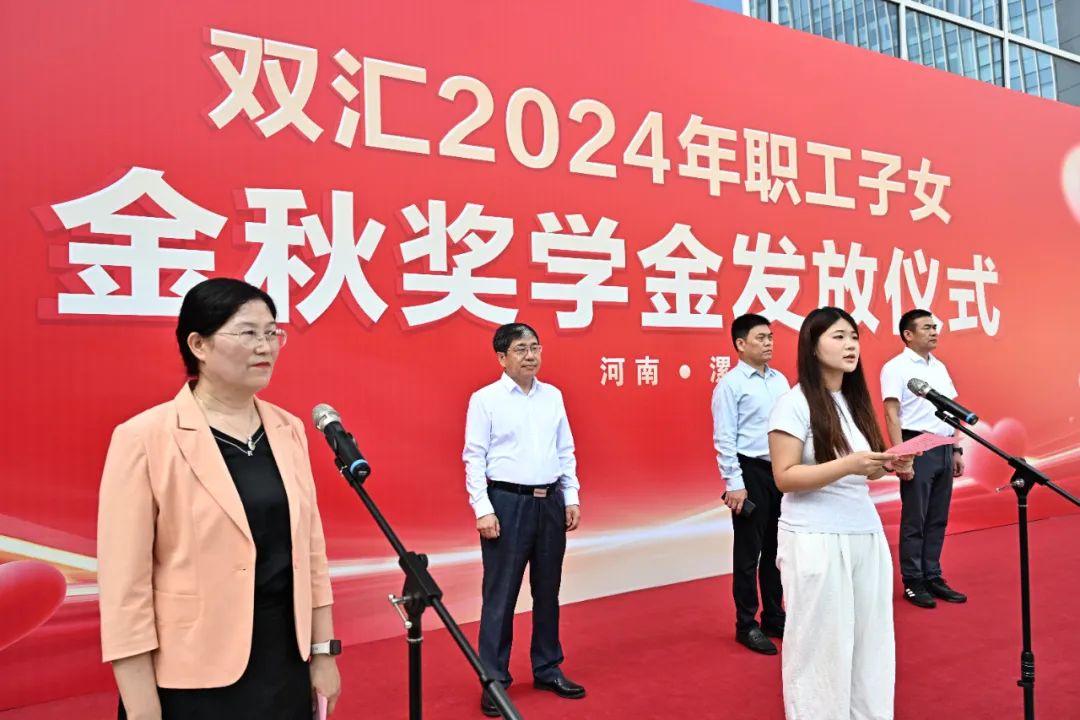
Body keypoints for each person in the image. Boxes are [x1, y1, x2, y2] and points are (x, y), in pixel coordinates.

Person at [97, 278, 342, 720]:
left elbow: (312, 552)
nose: (265, 346)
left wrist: (323, 652)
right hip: (191, 672)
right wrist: (140, 704)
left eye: (272, 332)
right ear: (199, 345)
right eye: (247, 333)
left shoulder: (288, 430)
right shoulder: (144, 437)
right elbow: (124, 589)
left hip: (284, 659)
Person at [768, 307, 913, 720]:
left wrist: (889, 464)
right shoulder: (793, 404)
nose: (850, 346)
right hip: (815, 537)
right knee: (820, 647)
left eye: (854, 337)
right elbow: (785, 476)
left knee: (870, 641)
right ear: (812, 347)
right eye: (838, 337)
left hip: (864, 532)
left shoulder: (853, 402)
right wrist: (849, 464)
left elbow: (863, 469)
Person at [463, 323, 585, 717]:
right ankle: (494, 680)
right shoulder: (485, 400)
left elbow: (565, 450)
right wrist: (483, 508)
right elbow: (473, 457)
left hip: (550, 502)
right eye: (520, 349)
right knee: (500, 595)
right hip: (506, 503)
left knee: (548, 590)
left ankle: (547, 667)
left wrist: (571, 496)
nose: (530, 355)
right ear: (502, 357)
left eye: (535, 347)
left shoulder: (553, 396)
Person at [711, 313, 790, 655]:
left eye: (770, 337)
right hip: (749, 473)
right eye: (761, 338)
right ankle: (746, 624)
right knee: (748, 554)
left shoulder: (780, 380)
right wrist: (735, 483)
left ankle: (774, 616)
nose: (768, 343)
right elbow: (724, 438)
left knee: (777, 550)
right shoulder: (730, 385)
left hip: (781, 470)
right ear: (740, 344)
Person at [880, 309, 967, 608]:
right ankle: (913, 581)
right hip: (916, 445)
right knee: (915, 518)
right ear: (908, 334)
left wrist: (956, 449)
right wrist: (901, 455)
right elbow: (891, 414)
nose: (934, 332)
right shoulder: (896, 367)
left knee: (938, 517)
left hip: (943, 445)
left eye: (935, 327)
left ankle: (933, 575)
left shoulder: (939, 366)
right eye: (927, 327)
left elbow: (952, 409)